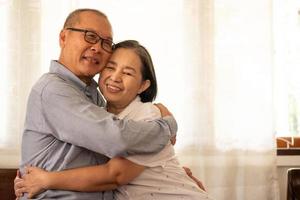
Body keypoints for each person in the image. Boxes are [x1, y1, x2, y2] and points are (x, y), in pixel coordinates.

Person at [16, 40, 213, 200]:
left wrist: (46, 180)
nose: (115, 77)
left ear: (143, 85)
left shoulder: (148, 116)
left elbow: (115, 175)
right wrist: (28, 178)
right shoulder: (100, 116)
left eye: (127, 73)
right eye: (111, 67)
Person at [18, 8, 177, 199]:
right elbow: (116, 137)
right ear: (63, 38)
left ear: (143, 85)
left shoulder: (96, 98)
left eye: (106, 43)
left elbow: (116, 166)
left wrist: (169, 176)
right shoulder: (53, 90)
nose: (97, 47)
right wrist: (168, 126)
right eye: (90, 36)